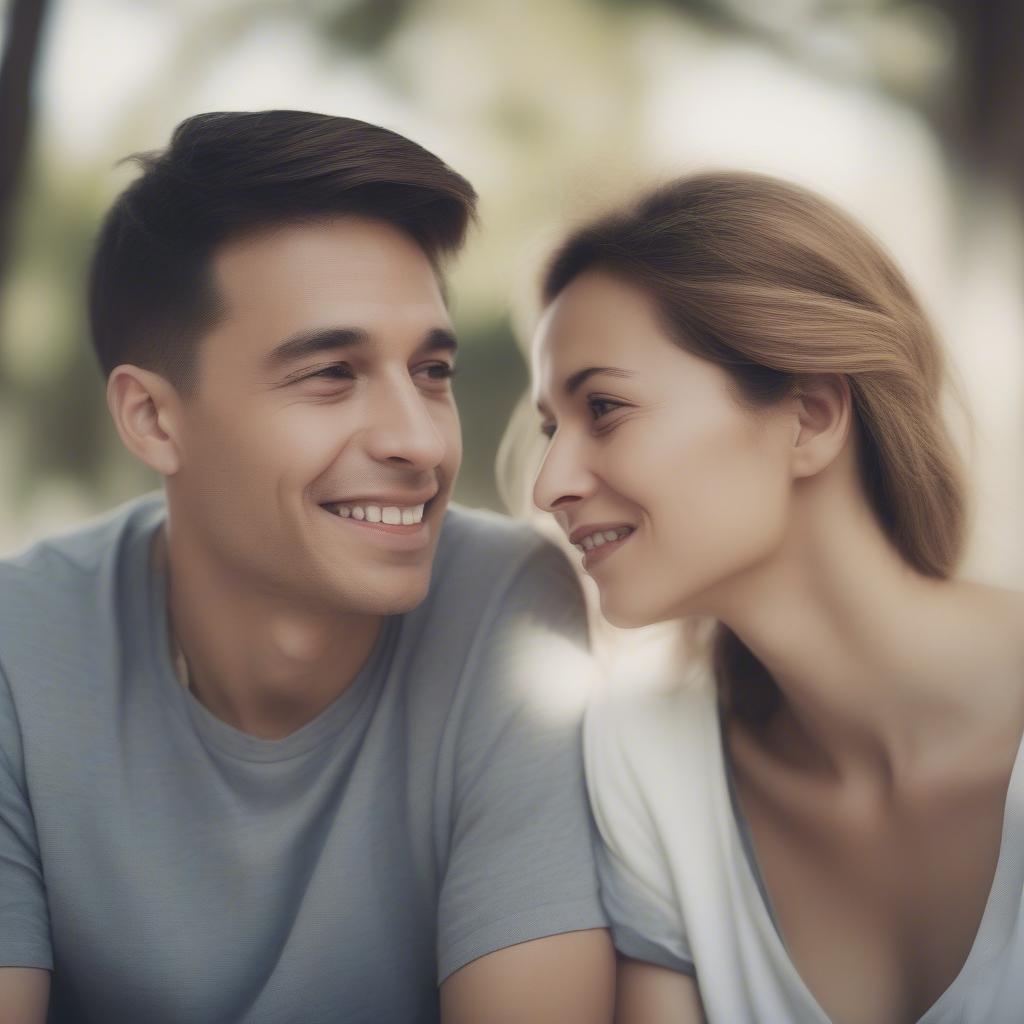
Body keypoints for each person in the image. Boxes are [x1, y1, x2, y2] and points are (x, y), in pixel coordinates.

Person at [0, 110, 614, 1023]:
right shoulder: (21, 644)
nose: (418, 441)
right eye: (331, 373)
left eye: (432, 372)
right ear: (153, 420)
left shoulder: (505, 606)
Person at [528, 171, 1024, 1024]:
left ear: (813, 416)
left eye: (604, 408)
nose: (549, 485)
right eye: (550, 429)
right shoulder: (648, 760)